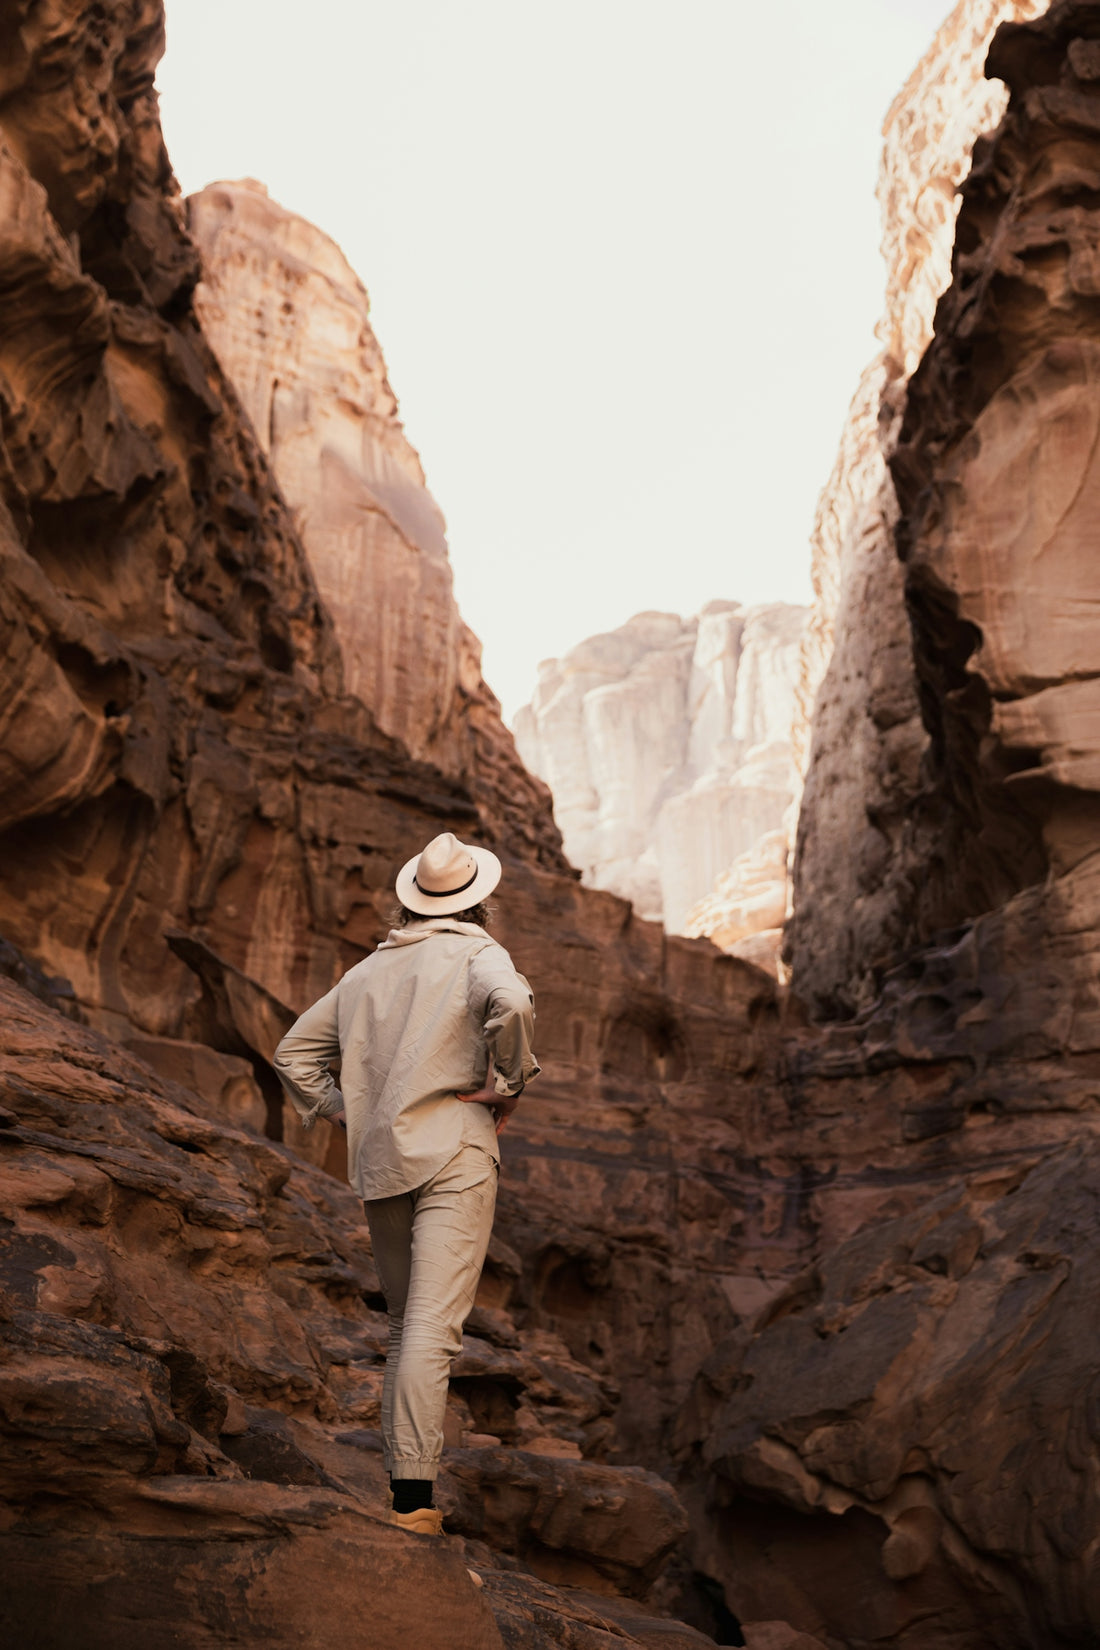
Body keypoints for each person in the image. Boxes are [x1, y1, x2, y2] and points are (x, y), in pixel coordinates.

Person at [272, 830, 539, 1539]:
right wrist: (508, 1084)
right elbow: (511, 1005)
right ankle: (411, 1503)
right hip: (455, 1149)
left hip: (384, 1161)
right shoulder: (482, 954)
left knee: (401, 1329)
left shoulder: (365, 972)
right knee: (430, 1330)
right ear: (478, 898)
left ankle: (406, 1493)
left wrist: (348, 1110)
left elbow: (293, 1054)